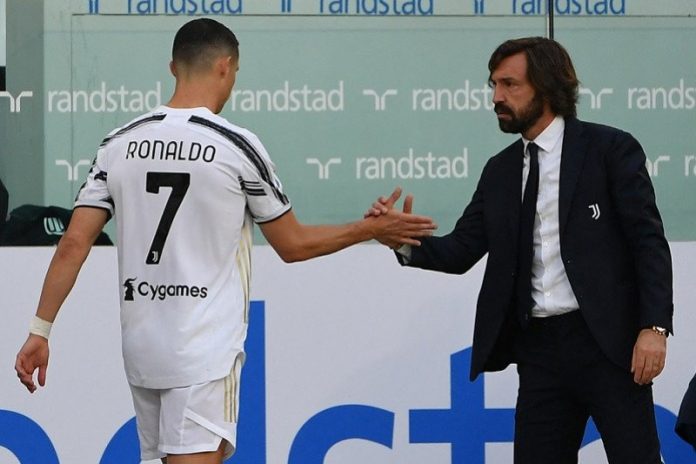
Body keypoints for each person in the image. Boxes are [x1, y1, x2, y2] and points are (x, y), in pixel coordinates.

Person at [14, 18, 436, 464]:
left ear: (173, 67)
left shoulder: (119, 143)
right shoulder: (236, 145)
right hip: (202, 349)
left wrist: (40, 330)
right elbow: (291, 244)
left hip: (142, 348)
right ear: (226, 66)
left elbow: (73, 245)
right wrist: (368, 230)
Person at [368, 37, 673, 463]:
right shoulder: (501, 171)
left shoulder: (609, 150)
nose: (496, 97)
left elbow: (648, 243)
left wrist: (654, 328)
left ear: (546, 87)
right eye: (493, 85)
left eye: (510, 85)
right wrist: (400, 240)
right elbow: (460, 251)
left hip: (610, 345)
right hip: (540, 353)